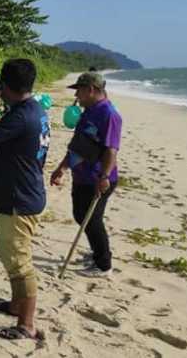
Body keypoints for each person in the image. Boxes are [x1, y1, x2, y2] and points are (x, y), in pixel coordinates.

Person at [0, 59, 49, 341]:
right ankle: (16, 305)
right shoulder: (34, 109)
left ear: (5, 85)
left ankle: (27, 324)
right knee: (9, 253)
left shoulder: (21, 117)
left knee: (18, 261)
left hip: (19, 199)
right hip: (24, 193)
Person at [51, 72, 122, 278]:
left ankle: (103, 264)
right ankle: (96, 253)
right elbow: (78, 144)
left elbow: (111, 150)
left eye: (79, 91)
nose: (77, 96)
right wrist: (62, 167)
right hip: (81, 174)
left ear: (91, 90)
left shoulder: (109, 114)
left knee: (92, 219)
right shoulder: (88, 111)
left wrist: (104, 176)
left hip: (98, 177)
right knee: (81, 215)